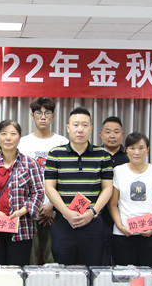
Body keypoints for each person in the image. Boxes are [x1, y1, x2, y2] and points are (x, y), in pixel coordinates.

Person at [44, 107, 113, 266]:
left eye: (84, 125)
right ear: (68, 128)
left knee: (92, 271)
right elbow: (49, 188)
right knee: (63, 270)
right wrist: (66, 212)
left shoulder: (103, 155)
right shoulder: (55, 154)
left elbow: (107, 188)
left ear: (91, 128)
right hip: (63, 222)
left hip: (92, 222)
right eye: (75, 125)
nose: (80, 129)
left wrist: (92, 212)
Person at [0, 120, 44, 266]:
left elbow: (38, 192)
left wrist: (23, 210)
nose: (8, 138)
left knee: (16, 272)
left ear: (19, 137)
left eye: (13, 134)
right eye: (3, 134)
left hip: (22, 228)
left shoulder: (30, 164)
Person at [18, 97, 68, 265]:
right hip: (29, 213)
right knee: (28, 262)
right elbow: (19, 180)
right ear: (32, 116)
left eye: (47, 113)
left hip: (57, 213)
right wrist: (33, 207)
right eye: (39, 113)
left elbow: (66, 179)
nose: (43, 117)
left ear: (53, 116)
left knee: (54, 262)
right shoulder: (23, 143)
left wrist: (53, 206)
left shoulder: (63, 143)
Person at [108, 132, 152, 266]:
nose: (137, 152)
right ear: (126, 150)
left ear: (147, 149)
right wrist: (120, 226)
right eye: (132, 148)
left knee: (148, 274)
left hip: (150, 233)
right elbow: (113, 204)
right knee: (125, 275)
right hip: (123, 233)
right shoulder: (118, 171)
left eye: (141, 148)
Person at [98, 116, 129, 266]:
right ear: (100, 134)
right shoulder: (94, 156)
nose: (112, 136)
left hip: (123, 218)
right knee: (100, 262)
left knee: (123, 263)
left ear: (122, 135)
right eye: (108, 131)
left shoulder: (129, 158)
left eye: (116, 132)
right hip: (98, 218)